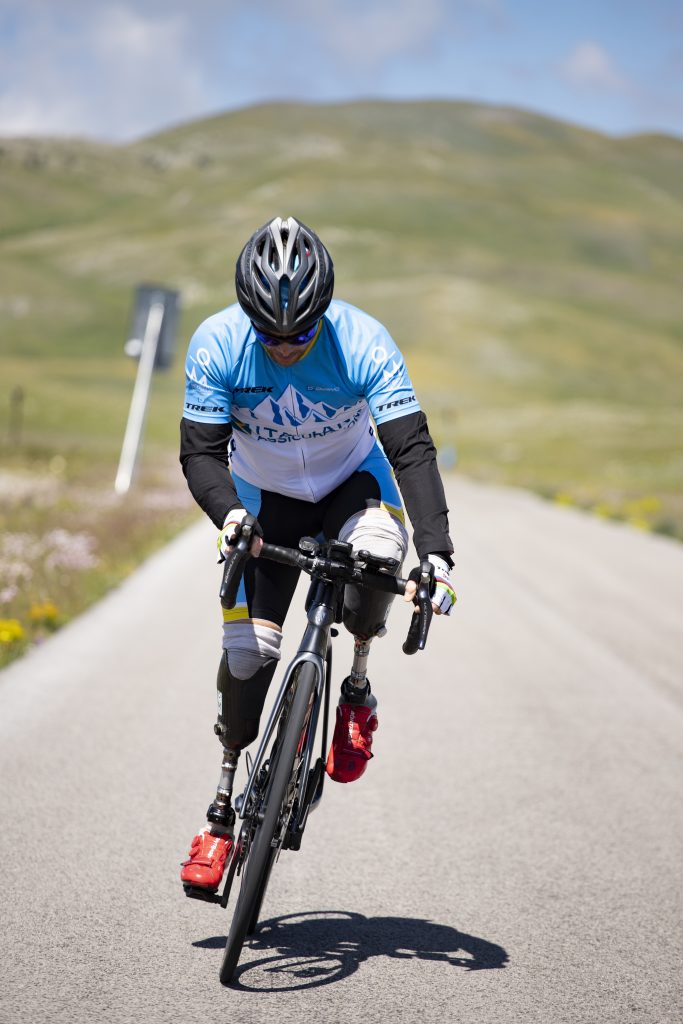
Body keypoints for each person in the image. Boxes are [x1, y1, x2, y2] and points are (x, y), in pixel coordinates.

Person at [179, 216, 455, 893]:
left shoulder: (364, 340)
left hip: (351, 485)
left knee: (378, 552)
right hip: (261, 496)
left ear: (324, 313)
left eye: (301, 334)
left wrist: (438, 554)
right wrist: (231, 517)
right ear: (247, 319)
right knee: (247, 654)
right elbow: (200, 453)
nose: (286, 348)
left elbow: (410, 448)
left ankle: (355, 686)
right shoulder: (216, 343)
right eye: (270, 336)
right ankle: (219, 817)